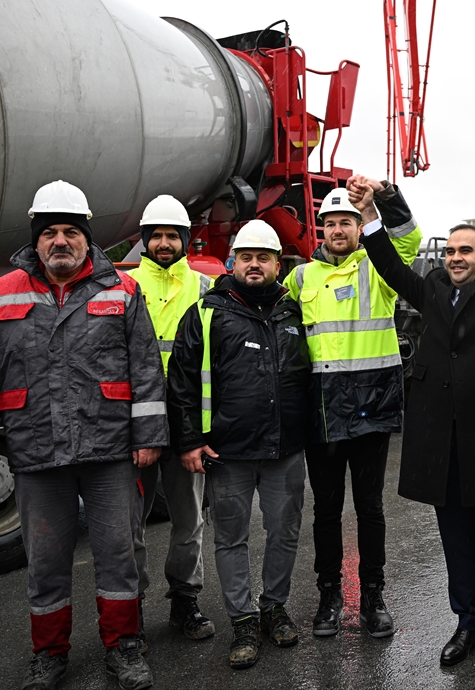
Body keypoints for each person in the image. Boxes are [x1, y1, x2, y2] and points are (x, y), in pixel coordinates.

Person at [0, 180, 166, 690]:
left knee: (118, 556)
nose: (59, 241)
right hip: (36, 451)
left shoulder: (121, 288)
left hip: (109, 451)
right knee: (46, 563)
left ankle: (124, 647)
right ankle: (49, 654)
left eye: (70, 232)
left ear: (86, 239)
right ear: (36, 240)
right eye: (49, 232)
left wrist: (148, 438)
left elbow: (145, 369)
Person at [351, 156, 475, 676]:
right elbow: (390, 265)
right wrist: (369, 213)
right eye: (452, 250)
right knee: (457, 546)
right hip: (445, 452)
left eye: (467, 251)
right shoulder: (431, 289)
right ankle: (467, 625)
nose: (456, 258)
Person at [166, 219, 311, 670]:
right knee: (231, 538)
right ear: (233, 262)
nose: (254, 265)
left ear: (276, 264)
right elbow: (183, 381)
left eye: (263, 258)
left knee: (285, 532)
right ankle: (244, 621)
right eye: (246, 257)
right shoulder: (208, 313)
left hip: (285, 449)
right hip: (226, 452)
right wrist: (189, 439)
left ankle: (274, 607)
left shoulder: (294, 312)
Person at [284, 183, 421, 639]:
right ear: (320, 229)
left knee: (370, 509)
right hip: (320, 412)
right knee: (325, 511)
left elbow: (407, 236)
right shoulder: (300, 278)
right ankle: (328, 597)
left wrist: (384, 195)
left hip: (370, 409)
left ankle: (373, 597)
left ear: (360, 227)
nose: (337, 229)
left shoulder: (378, 267)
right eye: (330, 223)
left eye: (346, 222)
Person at [128, 195, 216, 646]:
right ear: (145, 239)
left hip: (186, 424)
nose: (164, 244)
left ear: (185, 239)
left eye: (172, 236)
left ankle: (185, 600)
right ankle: (131, 607)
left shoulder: (204, 288)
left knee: (188, 520)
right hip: (135, 424)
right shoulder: (122, 284)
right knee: (130, 524)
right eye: (157, 236)